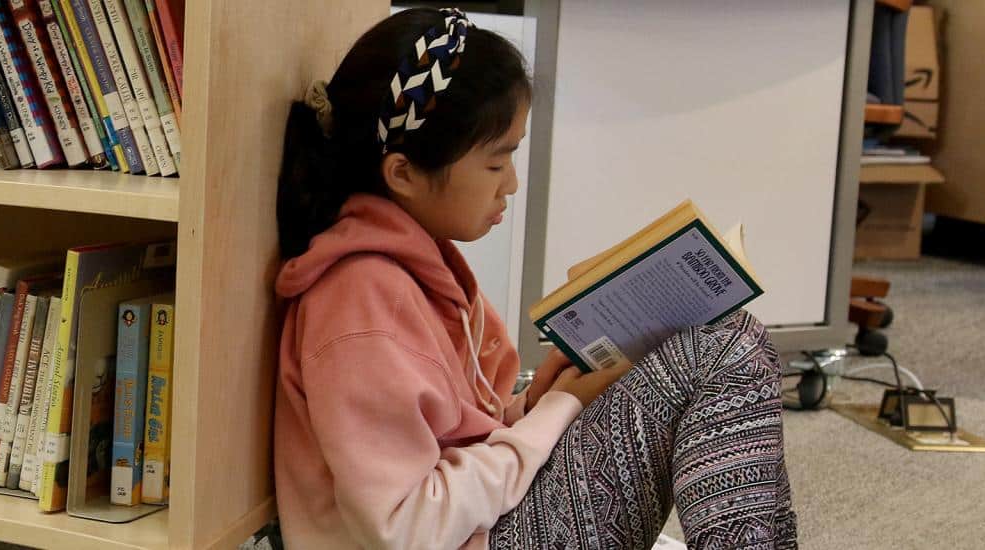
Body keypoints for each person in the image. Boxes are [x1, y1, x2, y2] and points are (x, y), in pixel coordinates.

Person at [272, 8, 796, 549]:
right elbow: (405, 529)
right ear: (403, 173)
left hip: (490, 522)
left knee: (723, 340)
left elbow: (455, 436)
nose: (512, 185)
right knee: (728, 346)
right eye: (497, 164)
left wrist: (532, 407)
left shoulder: (414, 266)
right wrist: (555, 411)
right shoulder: (358, 308)